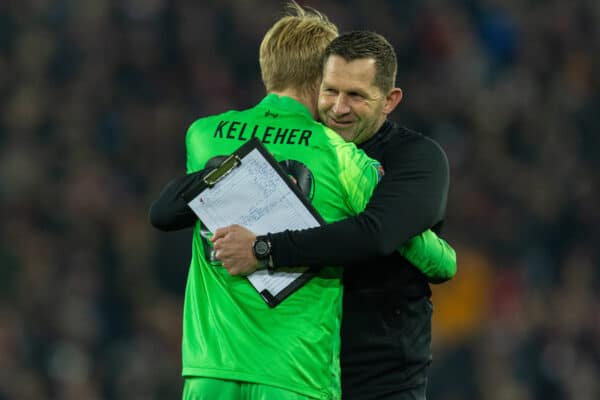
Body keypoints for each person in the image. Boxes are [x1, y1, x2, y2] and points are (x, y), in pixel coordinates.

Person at [149, 4, 453, 400]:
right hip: (296, 370)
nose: (339, 107)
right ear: (319, 78)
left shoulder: (204, 135)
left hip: (211, 367)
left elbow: (165, 211)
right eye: (332, 89)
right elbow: (428, 256)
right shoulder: (338, 152)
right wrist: (436, 249)